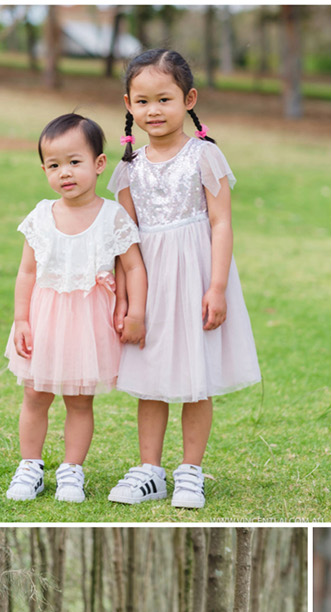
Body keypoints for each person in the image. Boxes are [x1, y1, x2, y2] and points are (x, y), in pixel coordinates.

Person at [107, 49, 261, 510]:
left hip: (195, 275)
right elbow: (124, 240)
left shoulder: (205, 157)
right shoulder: (127, 171)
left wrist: (216, 286)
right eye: (143, 101)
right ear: (129, 106)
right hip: (148, 282)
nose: (153, 111)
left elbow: (220, 223)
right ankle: (149, 469)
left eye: (164, 99)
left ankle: (190, 470)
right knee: (151, 375)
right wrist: (126, 302)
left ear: (188, 98)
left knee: (197, 376)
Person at [4, 114, 145, 504]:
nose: (64, 172)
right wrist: (21, 319)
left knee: (80, 401)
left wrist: (134, 310)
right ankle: (30, 466)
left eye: (74, 162)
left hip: (88, 325)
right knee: (35, 395)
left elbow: (133, 266)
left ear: (99, 164)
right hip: (44, 319)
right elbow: (26, 272)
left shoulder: (112, 216)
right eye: (54, 165)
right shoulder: (41, 215)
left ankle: (72, 470)